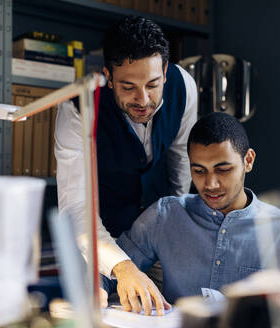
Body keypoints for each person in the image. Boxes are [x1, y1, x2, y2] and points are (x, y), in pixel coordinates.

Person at [54, 16, 197, 314]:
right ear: (107, 75)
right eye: (128, 87)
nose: (143, 99)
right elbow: (76, 207)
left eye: (153, 84)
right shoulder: (77, 107)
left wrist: (171, 232)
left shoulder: (185, 87)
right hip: (100, 236)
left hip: (157, 233)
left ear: (166, 72)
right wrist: (120, 266)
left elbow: (180, 164)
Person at [100, 112, 280, 310]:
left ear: (248, 161)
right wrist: (98, 289)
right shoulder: (165, 215)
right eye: (199, 171)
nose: (211, 184)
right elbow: (108, 269)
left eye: (223, 169)